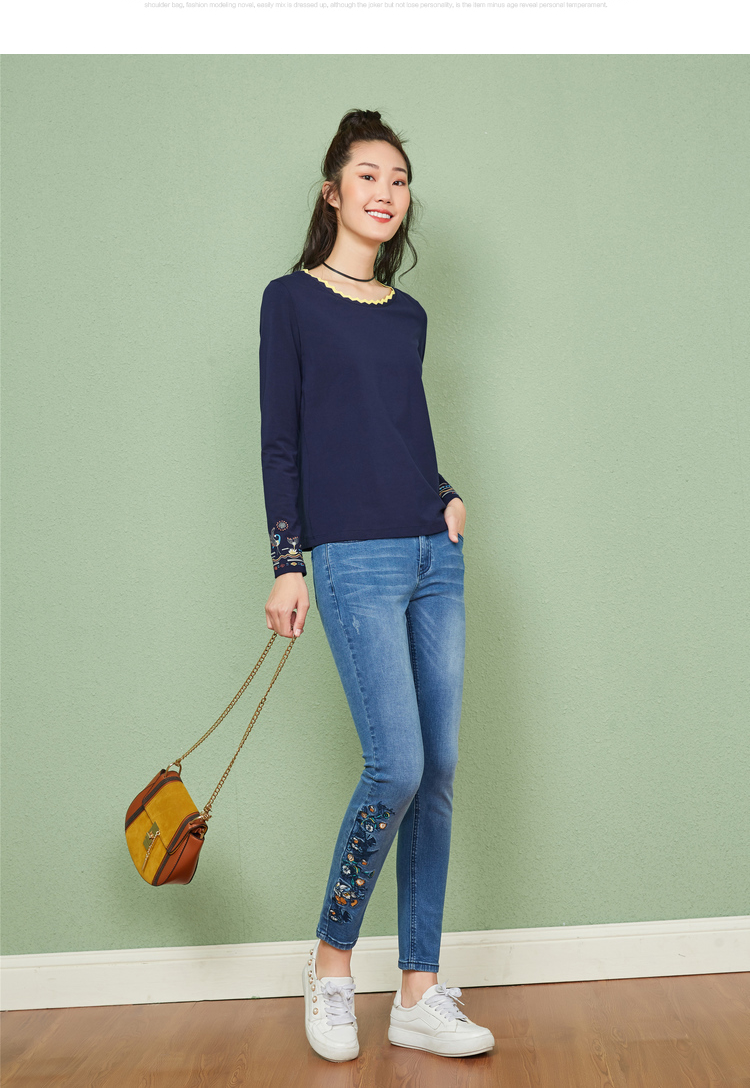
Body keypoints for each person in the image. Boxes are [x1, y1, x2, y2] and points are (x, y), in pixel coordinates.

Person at [259, 108, 495, 1062]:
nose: (385, 192)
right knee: (393, 765)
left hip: (433, 552)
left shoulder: (409, 314)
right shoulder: (290, 300)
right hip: (351, 557)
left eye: (398, 179)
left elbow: (400, 430)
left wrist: (445, 495)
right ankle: (329, 965)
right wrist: (288, 560)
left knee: (435, 772)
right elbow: (282, 441)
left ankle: (418, 992)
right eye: (367, 175)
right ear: (332, 192)